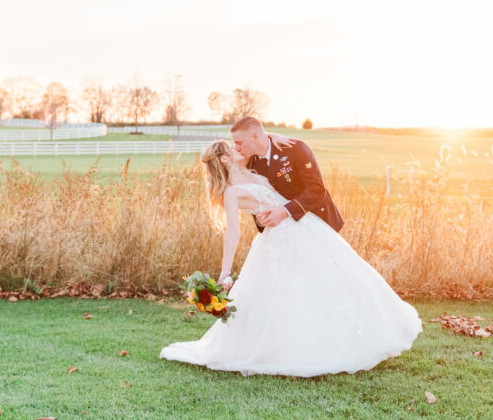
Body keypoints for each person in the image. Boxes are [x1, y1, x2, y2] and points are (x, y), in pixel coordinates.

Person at [159, 122, 423, 377]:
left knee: (331, 281)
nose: (237, 148)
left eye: (238, 144)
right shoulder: (231, 191)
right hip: (278, 240)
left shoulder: (253, 168)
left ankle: (336, 337)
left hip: (304, 227)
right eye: (233, 148)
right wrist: (225, 272)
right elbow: (232, 232)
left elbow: (257, 141)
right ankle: (290, 348)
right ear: (225, 160)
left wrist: (270, 135)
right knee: (287, 292)